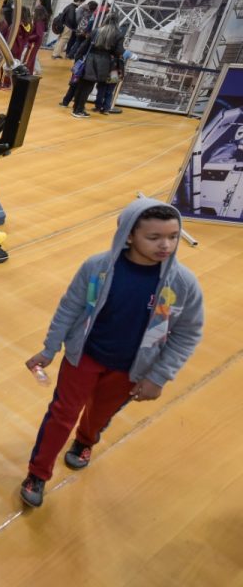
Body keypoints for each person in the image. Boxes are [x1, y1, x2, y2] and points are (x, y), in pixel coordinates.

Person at [19, 200, 205, 508]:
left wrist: (158, 376)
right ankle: (37, 473)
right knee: (61, 415)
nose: (166, 244)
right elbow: (70, 308)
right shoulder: (97, 268)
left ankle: (85, 441)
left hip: (131, 370)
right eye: (154, 237)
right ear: (129, 236)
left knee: (99, 415)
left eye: (173, 236)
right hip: (83, 358)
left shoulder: (183, 284)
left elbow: (188, 333)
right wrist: (50, 349)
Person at [72, 12, 125, 119]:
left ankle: (76, 108)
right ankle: (79, 110)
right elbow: (118, 51)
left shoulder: (96, 30)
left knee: (81, 85)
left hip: (89, 59)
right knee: (88, 87)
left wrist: (77, 58)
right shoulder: (118, 34)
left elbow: (84, 46)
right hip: (103, 63)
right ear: (117, 21)